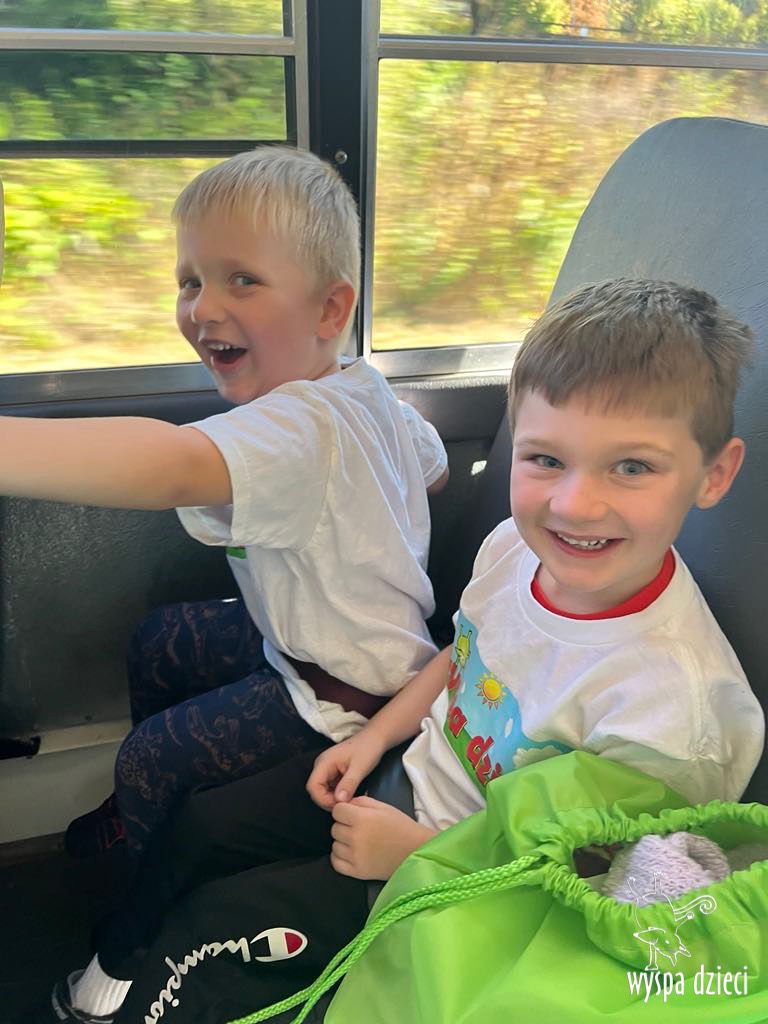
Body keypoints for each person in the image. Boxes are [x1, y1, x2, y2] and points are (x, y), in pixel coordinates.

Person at [27, 279, 764, 1024]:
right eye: (545, 459)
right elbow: (461, 656)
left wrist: (416, 855)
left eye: (631, 467)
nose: (573, 503)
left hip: (447, 890)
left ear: (715, 474)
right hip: (400, 779)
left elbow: (600, 896)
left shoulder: (675, 713)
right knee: (201, 829)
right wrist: (375, 737)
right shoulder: (516, 550)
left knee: (208, 936)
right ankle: (116, 969)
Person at [7, 145, 449, 859]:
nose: (203, 308)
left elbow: (172, 466)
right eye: (190, 281)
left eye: (242, 280)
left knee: (146, 759)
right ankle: (170, 816)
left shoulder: (302, 426)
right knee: (159, 641)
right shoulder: (361, 385)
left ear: (330, 308)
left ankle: (134, 902)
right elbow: (434, 470)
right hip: (317, 641)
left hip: (340, 694)